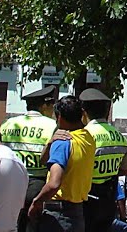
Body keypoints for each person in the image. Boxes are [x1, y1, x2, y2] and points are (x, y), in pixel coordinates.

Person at [29, 96, 96, 232]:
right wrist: (49, 144)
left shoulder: (63, 142)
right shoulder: (87, 137)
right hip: (77, 211)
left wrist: (36, 202)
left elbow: (54, 184)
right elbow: (45, 161)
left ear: (59, 117)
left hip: (58, 213)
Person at [1, 83, 59, 232]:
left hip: (10, 183)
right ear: (45, 106)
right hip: (36, 184)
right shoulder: (52, 126)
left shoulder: (8, 124)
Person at [80, 89, 127, 232]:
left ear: (84, 112)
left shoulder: (83, 136)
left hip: (86, 199)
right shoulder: (119, 136)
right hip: (108, 201)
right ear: (107, 111)